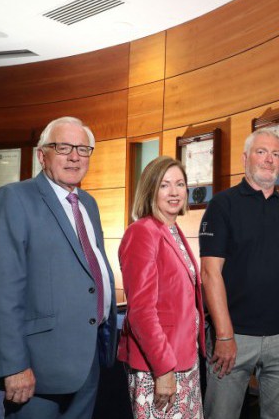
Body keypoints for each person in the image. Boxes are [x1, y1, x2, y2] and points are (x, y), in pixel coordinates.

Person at [0, 116, 117, 418]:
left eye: (83, 148)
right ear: (42, 155)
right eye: (63, 147)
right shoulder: (12, 198)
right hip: (36, 370)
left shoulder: (88, 204)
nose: (75, 156)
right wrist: (13, 365)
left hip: (86, 361)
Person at [199, 129, 279, 419]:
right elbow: (210, 273)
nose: (269, 160)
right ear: (245, 159)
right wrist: (224, 335)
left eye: (276, 154)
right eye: (261, 152)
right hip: (234, 338)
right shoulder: (222, 205)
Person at [118, 156, 205, 419]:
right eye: (165, 185)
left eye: (180, 184)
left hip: (185, 358)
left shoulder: (173, 230)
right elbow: (141, 312)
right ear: (150, 189)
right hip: (159, 365)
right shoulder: (142, 232)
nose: (174, 192)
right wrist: (164, 369)